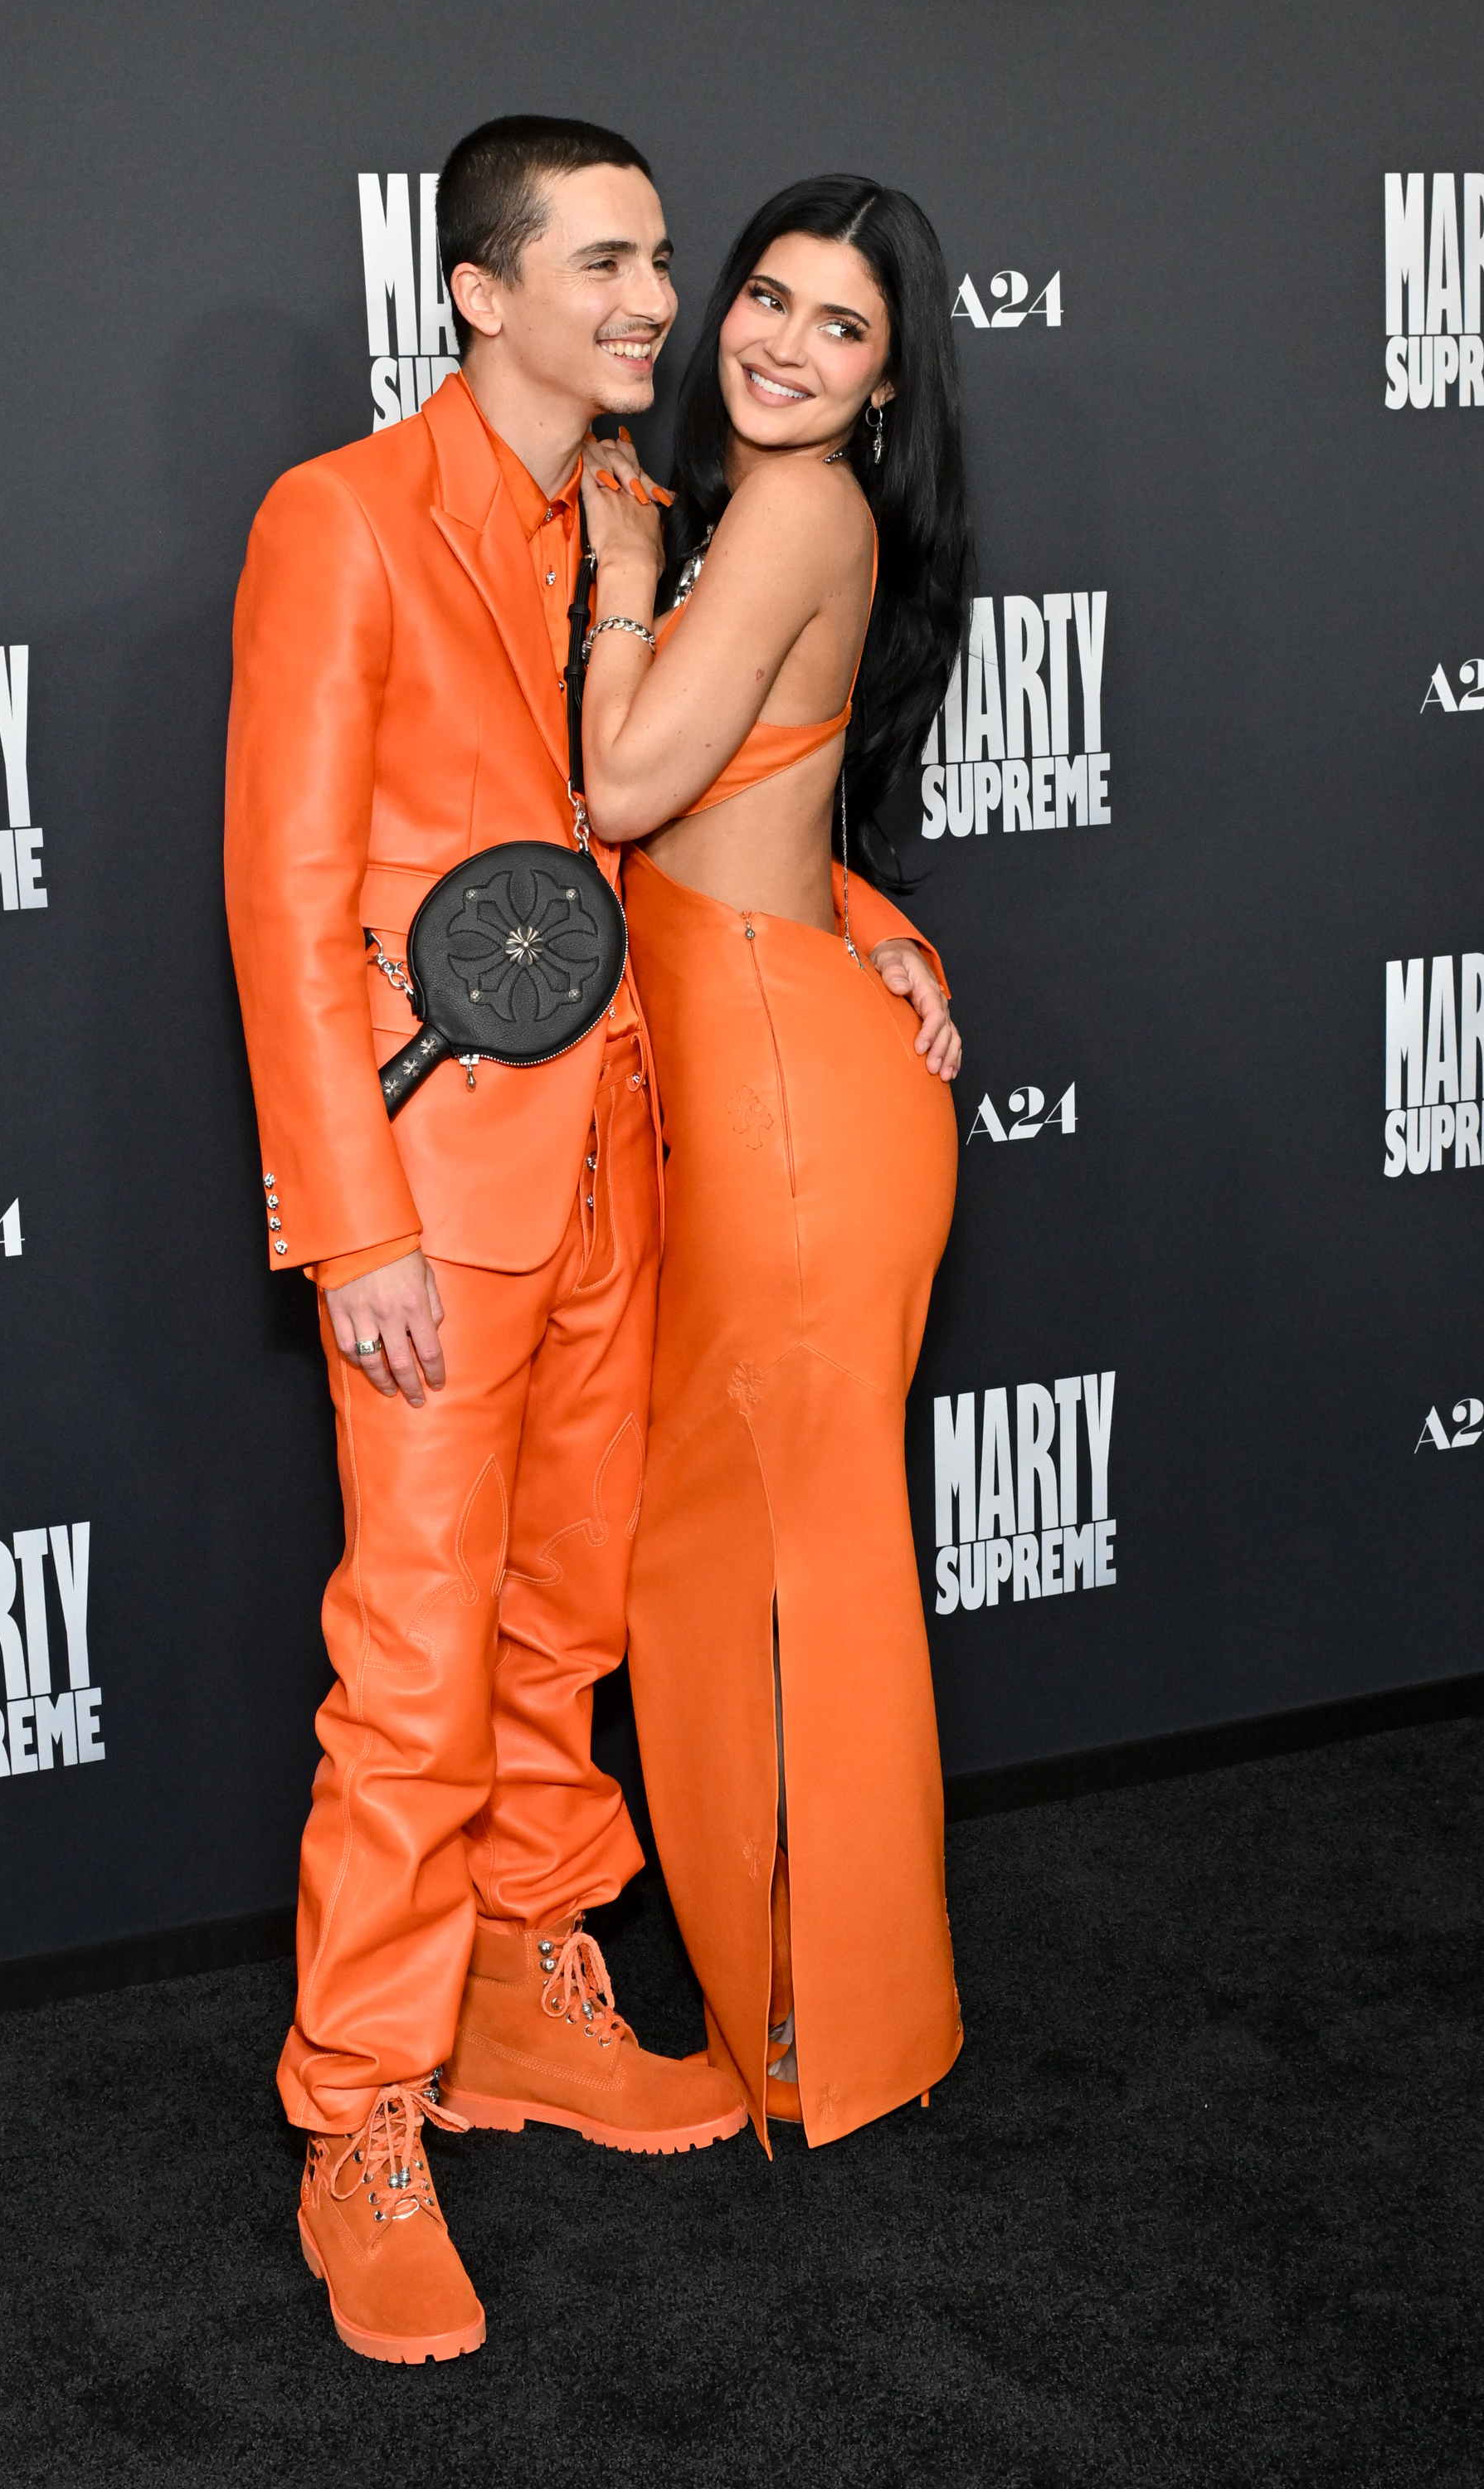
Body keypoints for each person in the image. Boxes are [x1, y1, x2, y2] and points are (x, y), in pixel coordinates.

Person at [226, 121, 959, 2360]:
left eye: (668, 263)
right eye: (616, 261)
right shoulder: (344, 520)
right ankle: (360, 2105)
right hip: (440, 1202)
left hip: (644, 1163)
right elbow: (281, 893)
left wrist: (866, 914)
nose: (661, 301)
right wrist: (350, 1225)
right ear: (481, 290)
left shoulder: (626, 523)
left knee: (560, 1639)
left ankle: (528, 1986)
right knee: (423, 1661)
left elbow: (671, 819)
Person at [577, 176, 972, 2153]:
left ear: (886, 391)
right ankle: (814, 2005)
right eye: (765, 296)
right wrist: (885, 919)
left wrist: (616, 571)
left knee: (777, 1560)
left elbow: (628, 786)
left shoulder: (792, 508)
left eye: (840, 328)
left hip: (784, 1101)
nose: (781, 343)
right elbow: (773, 799)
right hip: (759, 1051)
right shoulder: (763, 514)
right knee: (735, 1555)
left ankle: (826, 2024)